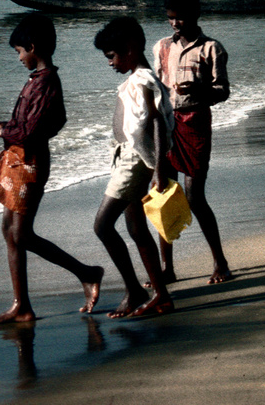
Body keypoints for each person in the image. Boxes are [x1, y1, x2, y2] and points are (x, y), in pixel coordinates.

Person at [0, 14, 105, 327]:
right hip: (20, 160)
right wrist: (5, 126)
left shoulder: (46, 82)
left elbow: (34, 130)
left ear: (33, 48)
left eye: (20, 51)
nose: (19, 58)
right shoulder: (39, 80)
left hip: (31, 163)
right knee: (10, 231)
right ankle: (21, 304)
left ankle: (86, 273)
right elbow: (39, 123)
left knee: (20, 233)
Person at [92, 17, 174, 318]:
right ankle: (159, 295)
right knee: (136, 228)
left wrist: (158, 171)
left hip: (136, 162)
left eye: (112, 56)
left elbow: (155, 122)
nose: (109, 63)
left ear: (130, 49)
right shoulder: (138, 79)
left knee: (102, 225)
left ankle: (136, 289)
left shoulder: (142, 80)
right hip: (131, 158)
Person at [154, 0, 233, 284]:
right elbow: (157, 89)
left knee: (195, 197)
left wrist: (200, 90)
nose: (175, 23)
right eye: (171, 17)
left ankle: (220, 262)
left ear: (197, 14)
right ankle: (166, 268)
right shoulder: (162, 47)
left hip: (196, 122)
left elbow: (223, 91)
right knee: (164, 194)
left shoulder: (212, 48)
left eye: (181, 18)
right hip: (166, 126)